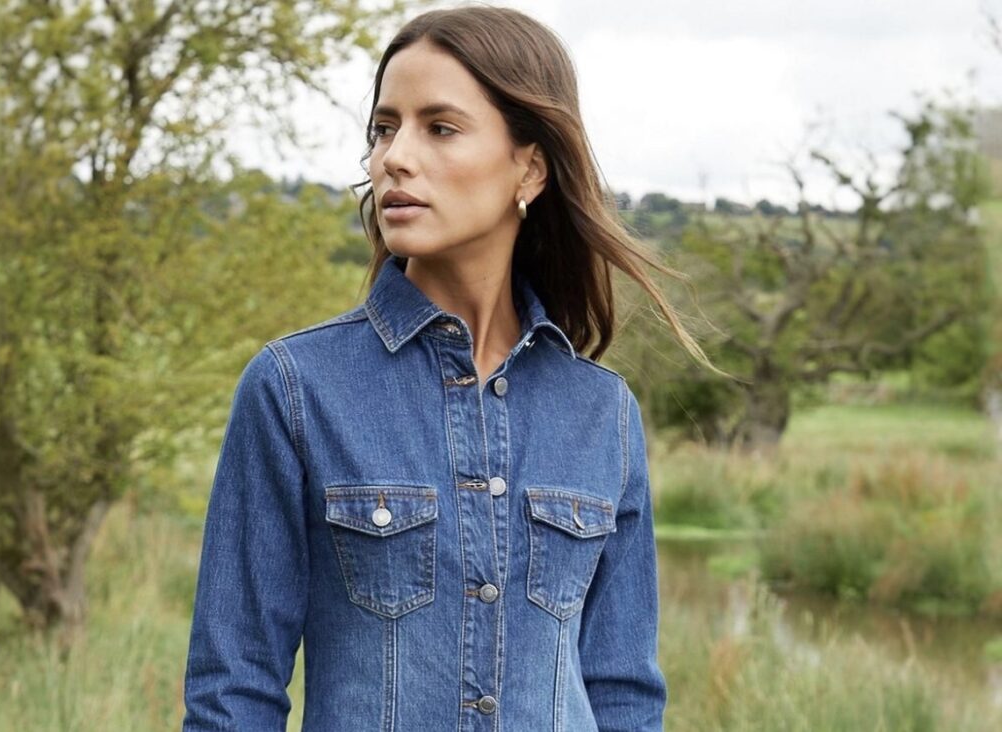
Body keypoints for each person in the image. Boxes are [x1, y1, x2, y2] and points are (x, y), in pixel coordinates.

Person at [182, 5, 722, 731]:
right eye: (383, 128)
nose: (394, 157)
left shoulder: (602, 413)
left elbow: (624, 694)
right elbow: (232, 695)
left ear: (528, 166)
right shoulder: (295, 389)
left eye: (439, 127)